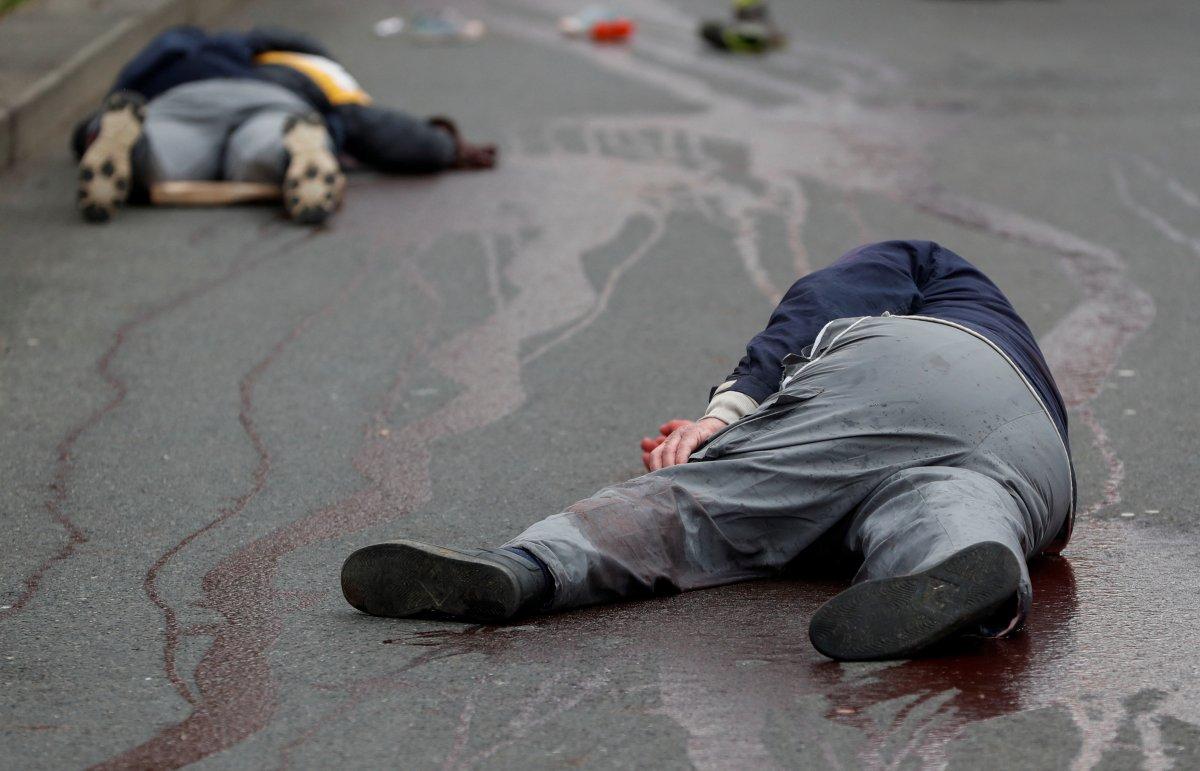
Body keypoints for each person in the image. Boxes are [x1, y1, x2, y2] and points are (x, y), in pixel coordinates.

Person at [340, 240, 1075, 661]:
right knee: (945, 506)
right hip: (1040, 462)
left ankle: (528, 567)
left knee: (693, 506)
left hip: (905, 370)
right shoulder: (1008, 338)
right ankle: (968, 572)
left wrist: (729, 411)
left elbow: (822, 305)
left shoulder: (928, 266)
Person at [73, 26, 497, 225]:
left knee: (168, 148)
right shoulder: (314, 72)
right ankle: (291, 153)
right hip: (270, 101)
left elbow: (111, 104)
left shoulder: (186, 53)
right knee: (260, 144)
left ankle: (134, 147)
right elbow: (373, 128)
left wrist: (89, 134)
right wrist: (444, 146)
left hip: (180, 98)